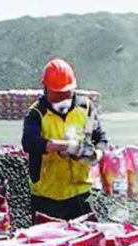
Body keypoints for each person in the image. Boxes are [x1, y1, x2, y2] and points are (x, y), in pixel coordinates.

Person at [22, 58, 107, 220]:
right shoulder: (37, 113)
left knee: (86, 234)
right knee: (49, 235)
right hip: (47, 196)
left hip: (81, 193)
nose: (62, 98)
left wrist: (96, 154)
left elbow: (100, 138)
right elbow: (29, 143)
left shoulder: (85, 108)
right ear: (46, 89)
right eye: (57, 94)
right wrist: (60, 146)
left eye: (65, 93)